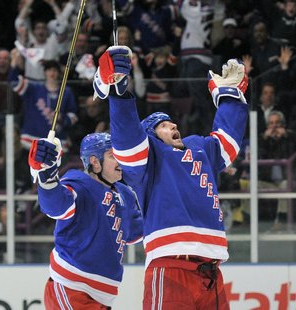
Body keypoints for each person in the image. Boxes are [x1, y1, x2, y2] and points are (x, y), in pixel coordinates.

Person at [94, 46, 249, 308]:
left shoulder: (199, 147)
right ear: (151, 136)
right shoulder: (149, 157)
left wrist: (230, 98)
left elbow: (228, 143)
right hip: (170, 266)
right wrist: (119, 94)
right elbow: (129, 145)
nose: (173, 125)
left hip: (210, 270)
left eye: (172, 122)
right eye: (163, 125)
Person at [28, 132, 143, 308]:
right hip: (72, 287)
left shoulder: (125, 194)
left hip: (103, 296)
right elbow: (55, 206)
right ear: (95, 162)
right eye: (113, 156)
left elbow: (135, 232)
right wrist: (47, 175)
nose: (121, 160)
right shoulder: (79, 184)